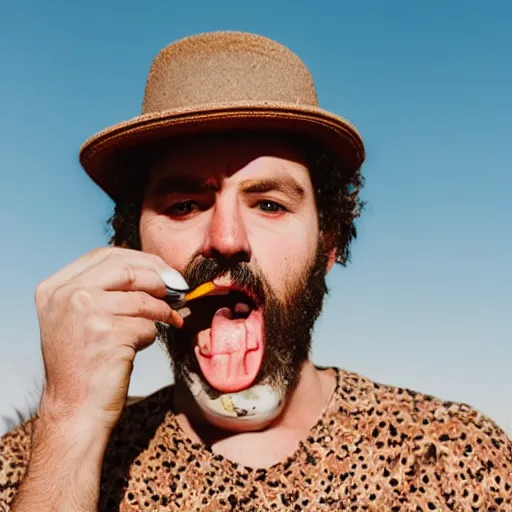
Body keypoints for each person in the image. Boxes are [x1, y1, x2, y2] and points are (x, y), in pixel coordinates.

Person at [0, 31, 510, 512]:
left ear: (327, 244)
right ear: (132, 245)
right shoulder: (31, 467)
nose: (226, 239)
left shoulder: (454, 454)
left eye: (268, 204)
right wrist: (69, 425)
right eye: (183, 205)